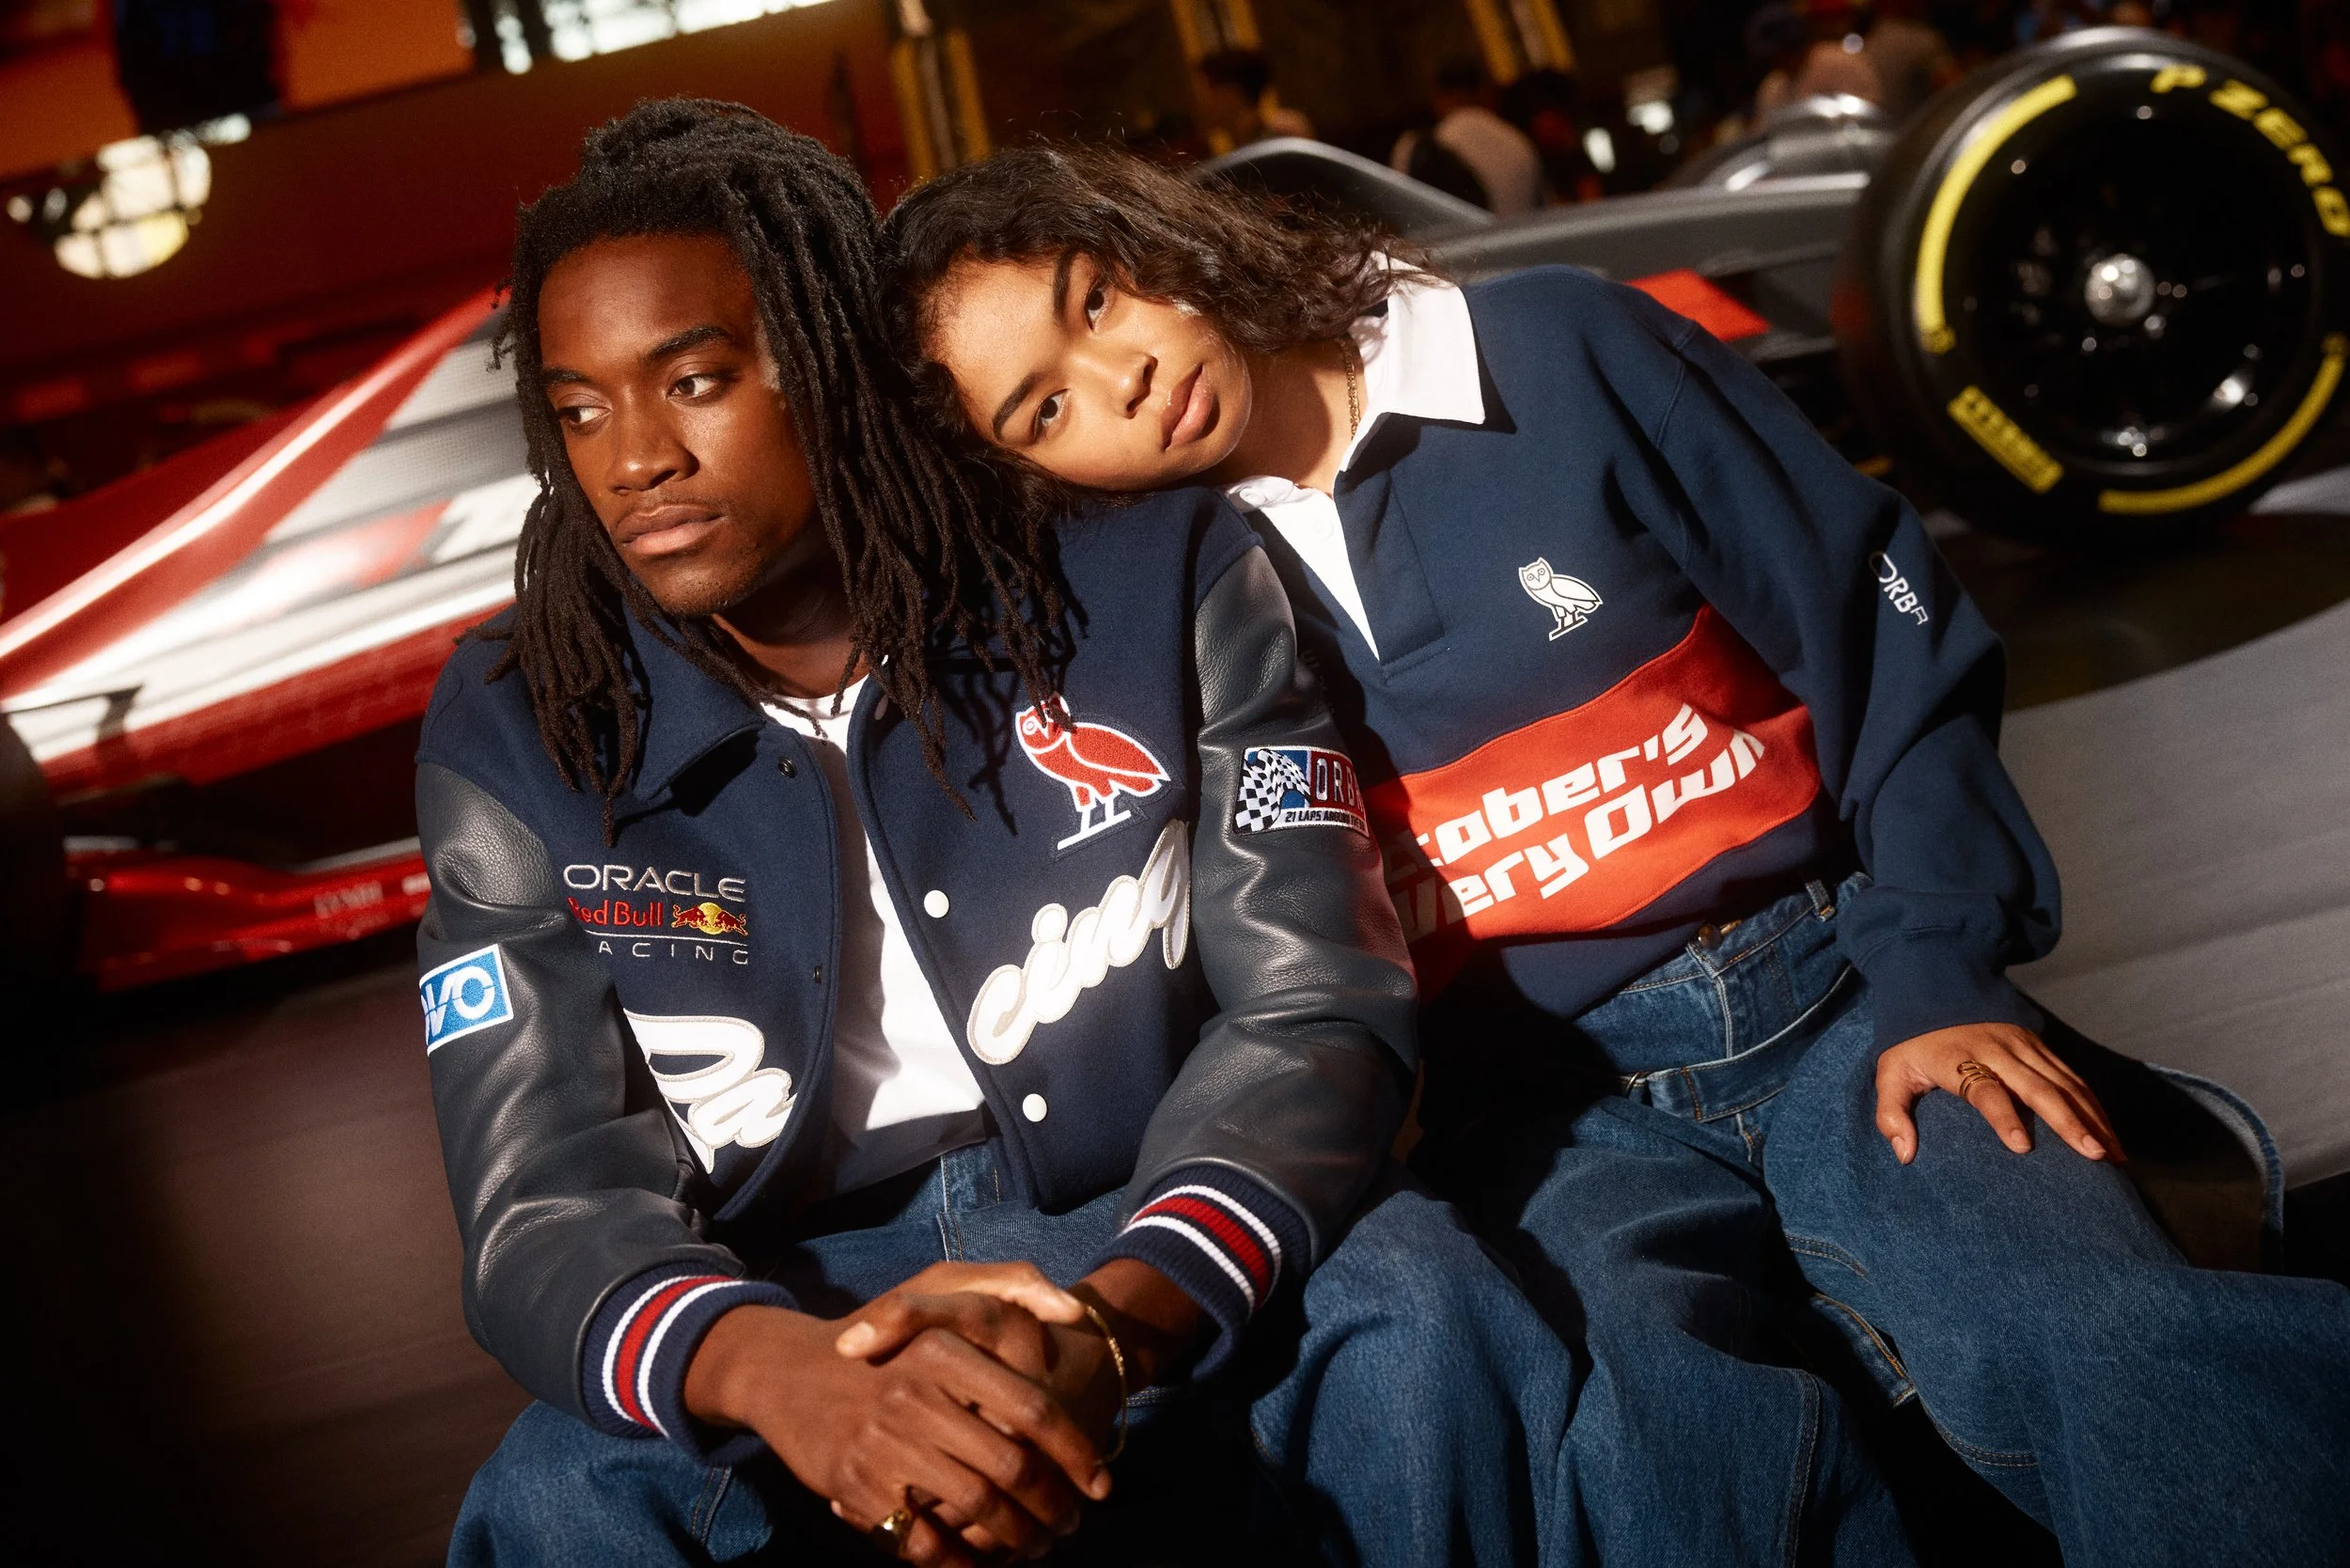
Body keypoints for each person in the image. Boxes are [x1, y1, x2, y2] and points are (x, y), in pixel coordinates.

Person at [880, 142, 2350, 1565]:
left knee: (2105, 1328)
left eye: (1097, 299)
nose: (1121, 375)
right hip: (1547, 1117)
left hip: (1840, 999)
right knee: (1663, 1459)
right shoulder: (1158, 601)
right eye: (1044, 407)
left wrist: (1941, 971)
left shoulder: (1556, 348)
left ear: (1153, 237)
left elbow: (1880, 641)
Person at [419, 101, 1581, 1567]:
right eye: (581, 411)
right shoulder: (521, 719)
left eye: (694, 381)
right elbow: (540, 1196)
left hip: (1148, 1193)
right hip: (788, 1287)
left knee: (1424, 1308)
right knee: (552, 1503)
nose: (635, 458)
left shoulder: (1146, 569)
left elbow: (1315, 1009)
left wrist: (1118, 1319)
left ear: (831, 359)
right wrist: (785, 1379)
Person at [1392, 57, 1543, 216]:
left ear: (1437, 97)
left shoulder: (1415, 147)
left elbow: (1401, 212)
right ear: (1486, 92)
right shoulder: (1519, 142)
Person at [1192, 47, 1313, 152]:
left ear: (1230, 94)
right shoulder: (1240, 150)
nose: (1197, 105)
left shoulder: (1283, 139)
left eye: (1203, 94)